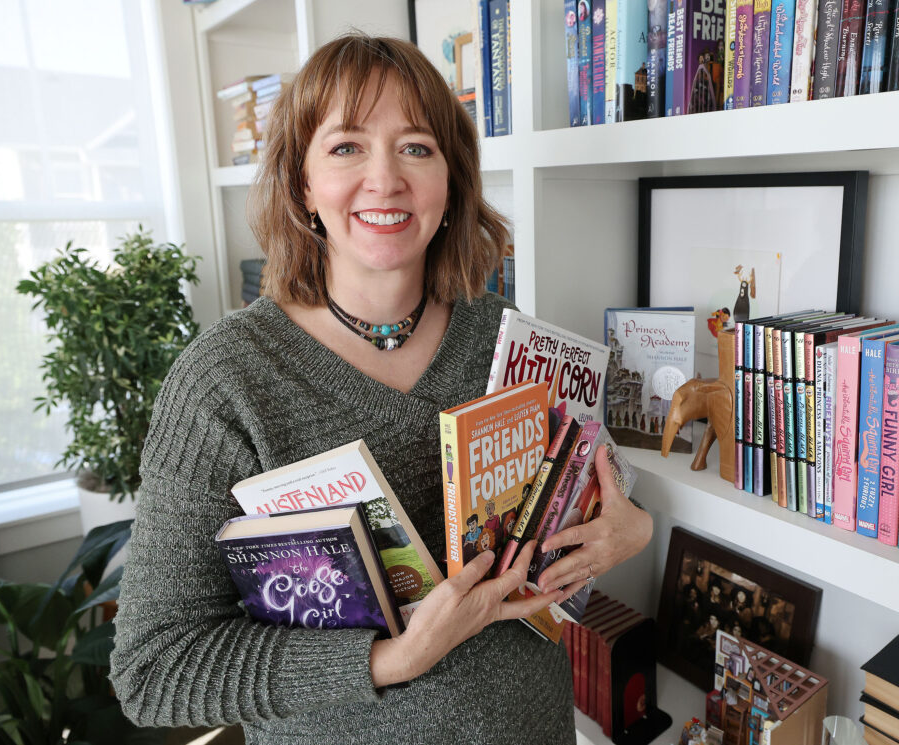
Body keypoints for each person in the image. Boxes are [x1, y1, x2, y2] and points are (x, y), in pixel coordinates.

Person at [109, 33, 652, 745]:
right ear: (302, 182)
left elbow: (593, 496)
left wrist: (630, 528)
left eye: (416, 147)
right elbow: (155, 671)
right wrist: (396, 657)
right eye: (346, 147)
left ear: (451, 179)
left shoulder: (514, 339)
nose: (385, 180)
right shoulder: (226, 381)